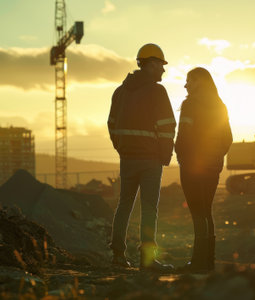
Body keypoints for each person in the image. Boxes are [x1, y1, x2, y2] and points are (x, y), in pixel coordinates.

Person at [107, 43, 176, 272]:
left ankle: (118, 255)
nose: (163, 71)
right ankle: (147, 260)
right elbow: (167, 127)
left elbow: (112, 125)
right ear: (151, 64)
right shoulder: (157, 92)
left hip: (127, 158)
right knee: (149, 209)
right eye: (161, 65)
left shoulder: (120, 92)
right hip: (150, 160)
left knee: (124, 205)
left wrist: (123, 149)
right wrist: (164, 156)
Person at [175, 67, 233, 272]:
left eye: (189, 81)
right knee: (206, 212)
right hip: (212, 167)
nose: (185, 85)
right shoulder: (220, 106)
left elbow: (183, 136)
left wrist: (183, 158)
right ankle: (208, 261)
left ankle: (198, 262)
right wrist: (216, 158)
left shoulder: (190, 105)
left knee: (197, 213)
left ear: (199, 81)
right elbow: (228, 138)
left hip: (192, 167)